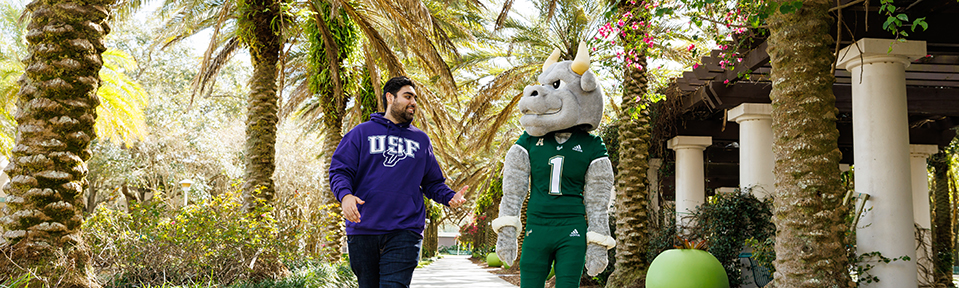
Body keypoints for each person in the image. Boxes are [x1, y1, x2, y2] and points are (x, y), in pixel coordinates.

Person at [329, 76, 467, 288]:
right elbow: (340, 170)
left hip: (405, 228)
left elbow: (431, 182)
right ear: (390, 97)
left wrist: (449, 197)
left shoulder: (421, 140)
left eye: (415, 98)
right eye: (408, 96)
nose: (413, 102)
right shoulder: (361, 133)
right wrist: (346, 196)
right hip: (363, 227)